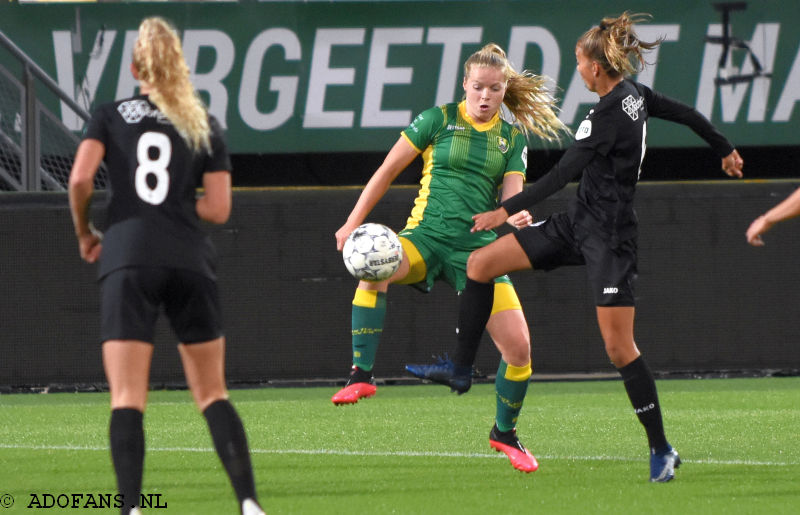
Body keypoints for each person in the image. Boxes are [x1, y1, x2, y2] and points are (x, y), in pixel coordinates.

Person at [411, 12, 744, 482]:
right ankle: (461, 370)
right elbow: (687, 114)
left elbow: (560, 175)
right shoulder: (635, 97)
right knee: (482, 263)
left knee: (618, 347)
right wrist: (723, 146)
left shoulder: (607, 114)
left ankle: (661, 447)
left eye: (580, 64)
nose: (579, 71)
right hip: (577, 224)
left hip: (610, 238)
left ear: (596, 67)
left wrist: (501, 213)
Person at [332, 43, 569, 472]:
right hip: (424, 239)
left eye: (494, 89)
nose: (484, 96)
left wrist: (518, 215)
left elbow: (513, 196)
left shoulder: (511, 139)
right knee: (372, 263)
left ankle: (505, 434)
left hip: (477, 253)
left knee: (519, 350)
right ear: (465, 84)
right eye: (478, 87)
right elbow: (385, 173)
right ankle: (360, 375)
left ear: (503, 91)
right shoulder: (437, 119)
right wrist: (351, 224)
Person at [68, 17, 265, 515]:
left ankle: (132, 507)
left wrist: (86, 233)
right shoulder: (201, 120)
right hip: (188, 259)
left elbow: (78, 181)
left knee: (128, 397)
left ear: (135, 66)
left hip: (127, 255)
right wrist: (176, 206)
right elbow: (218, 209)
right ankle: (248, 504)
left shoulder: (110, 114)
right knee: (212, 393)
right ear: (180, 66)